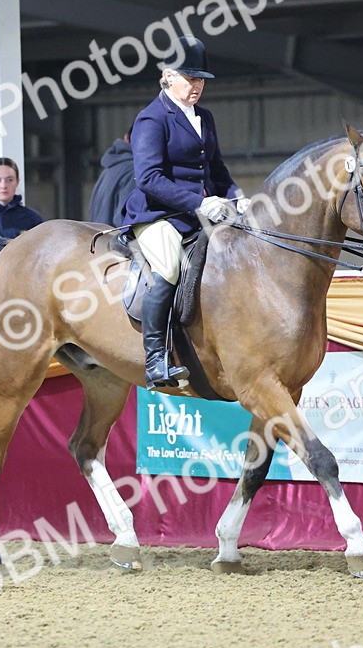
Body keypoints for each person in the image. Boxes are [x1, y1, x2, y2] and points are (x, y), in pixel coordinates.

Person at [121, 36, 250, 389]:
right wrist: (199, 203)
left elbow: (217, 169)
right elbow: (149, 178)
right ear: (168, 76)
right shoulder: (151, 118)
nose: (197, 86)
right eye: (190, 78)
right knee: (168, 266)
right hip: (158, 214)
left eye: (201, 80)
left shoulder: (204, 117)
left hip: (202, 214)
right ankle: (155, 359)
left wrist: (237, 197)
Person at [87, 131, 135, 227]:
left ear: (126, 138)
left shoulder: (108, 170)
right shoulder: (133, 170)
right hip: (112, 235)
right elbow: (125, 222)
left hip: (98, 234)